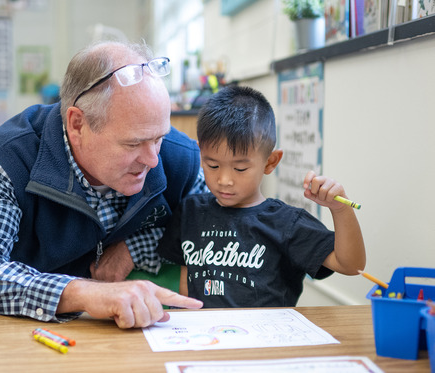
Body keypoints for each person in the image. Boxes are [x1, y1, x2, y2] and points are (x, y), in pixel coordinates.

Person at [0, 40, 205, 328]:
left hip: (124, 327)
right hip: (29, 321)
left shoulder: (181, 157)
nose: (153, 160)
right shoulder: (9, 159)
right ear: (78, 124)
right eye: (133, 143)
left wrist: (136, 246)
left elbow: (219, 227)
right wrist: (82, 292)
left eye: (159, 138)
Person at [157, 85, 366, 308]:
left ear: (270, 162)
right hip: (206, 338)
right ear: (201, 153)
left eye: (240, 169)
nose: (224, 179)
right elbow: (186, 278)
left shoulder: (286, 223)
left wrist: (340, 209)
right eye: (213, 165)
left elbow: (352, 265)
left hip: (265, 339)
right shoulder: (190, 211)